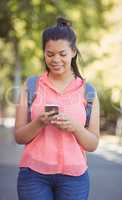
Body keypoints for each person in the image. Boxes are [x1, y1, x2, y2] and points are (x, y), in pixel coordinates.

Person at [15, 17, 100, 200]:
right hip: (33, 176)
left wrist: (75, 127)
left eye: (62, 54)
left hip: (74, 178)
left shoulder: (88, 91)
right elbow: (19, 137)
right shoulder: (31, 85)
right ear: (44, 53)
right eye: (49, 54)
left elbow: (92, 144)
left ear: (73, 52)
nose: (56, 60)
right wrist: (39, 122)